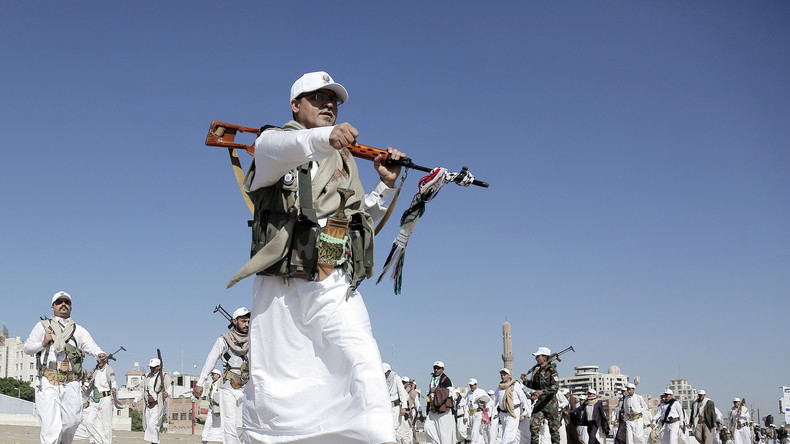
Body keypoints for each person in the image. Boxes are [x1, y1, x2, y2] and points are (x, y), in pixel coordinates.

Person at [229, 70, 404, 444]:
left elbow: (358, 221)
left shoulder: (344, 160)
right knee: (277, 392)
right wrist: (325, 138)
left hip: (332, 280)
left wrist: (386, 184)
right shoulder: (275, 144)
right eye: (319, 97)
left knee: (363, 367)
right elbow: (274, 146)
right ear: (295, 105)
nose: (329, 104)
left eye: (334, 100)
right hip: (281, 288)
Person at [23, 291, 106, 444]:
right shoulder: (42, 326)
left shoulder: (78, 330)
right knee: (51, 426)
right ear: (52, 307)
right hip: (48, 380)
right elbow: (27, 348)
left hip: (71, 381)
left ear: (71, 307)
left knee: (72, 422)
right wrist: (43, 343)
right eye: (59, 302)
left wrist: (99, 354)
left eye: (66, 302)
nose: (63, 305)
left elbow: (91, 346)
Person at [194, 307, 250, 444]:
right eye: (243, 321)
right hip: (228, 389)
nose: (247, 324)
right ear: (234, 321)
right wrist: (200, 382)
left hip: (246, 389)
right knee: (229, 426)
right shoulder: (224, 340)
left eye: (249, 321)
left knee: (242, 427)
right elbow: (210, 361)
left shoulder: (252, 341)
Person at [133, 358, 173, 444]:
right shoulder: (147, 377)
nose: (152, 369)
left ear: (159, 367)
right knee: (149, 425)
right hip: (149, 405)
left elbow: (169, 388)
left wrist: (167, 393)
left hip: (158, 405)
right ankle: (155, 442)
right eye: (151, 367)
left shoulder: (164, 376)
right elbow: (142, 390)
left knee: (153, 424)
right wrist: (136, 400)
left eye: (154, 367)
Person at [527, 347, 561, 444]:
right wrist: (525, 381)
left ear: (545, 358)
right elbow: (534, 385)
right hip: (540, 404)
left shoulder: (552, 370)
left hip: (551, 405)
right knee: (533, 426)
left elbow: (555, 387)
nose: (536, 358)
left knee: (554, 431)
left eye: (538, 356)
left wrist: (543, 392)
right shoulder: (537, 371)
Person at [86, 354, 118, 444]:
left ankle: (106, 442)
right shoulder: (95, 371)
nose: (99, 362)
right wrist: (88, 378)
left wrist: (114, 388)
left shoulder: (109, 369)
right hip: (95, 399)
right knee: (89, 422)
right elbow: (90, 383)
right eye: (97, 361)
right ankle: (95, 440)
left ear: (105, 361)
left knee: (106, 424)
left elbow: (113, 381)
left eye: (100, 361)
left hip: (105, 398)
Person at [495, 368, 529, 444]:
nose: (502, 376)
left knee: (508, 434)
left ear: (509, 375)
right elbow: (494, 399)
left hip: (513, 413)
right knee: (508, 434)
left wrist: (524, 414)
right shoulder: (500, 387)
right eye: (501, 375)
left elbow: (523, 399)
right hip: (503, 414)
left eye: (504, 375)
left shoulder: (516, 385)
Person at [426, 361, 455, 444]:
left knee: (444, 435)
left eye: (438, 368)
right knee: (427, 428)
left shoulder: (445, 379)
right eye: (435, 368)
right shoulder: (433, 379)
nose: (436, 370)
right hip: (433, 409)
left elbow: (450, 392)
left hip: (443, 410)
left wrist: (436, 390)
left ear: (442, 369)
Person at [383, 363, 411, 444]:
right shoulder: (383, 379)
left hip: (395, 407)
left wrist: (404, 408)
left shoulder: (396, 378)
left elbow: (402, 393)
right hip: (386, 408)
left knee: (395, 428)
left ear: (389, 371)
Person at [464, 379, 491, 444]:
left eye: (472, 385)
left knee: (475, 429)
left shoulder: (481, 391)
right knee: (477, 430)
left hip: (479, 413)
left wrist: (487, 406)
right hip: (471, 414)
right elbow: (464, 401)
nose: (471, 386)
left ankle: (473, 442)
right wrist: (460, 404)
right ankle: (481, 442)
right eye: (470, 385)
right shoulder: (469, 393)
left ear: (476, 384)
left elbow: (488, 400)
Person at [201, 369, 224, 444]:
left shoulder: (221, 383)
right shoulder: (212, 384)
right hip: (212, 407)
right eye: (212, 375)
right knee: (208, 422)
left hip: (219, 407)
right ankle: (204, 438)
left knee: (221, 423)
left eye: (213, 375)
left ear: (218, 375)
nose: (212, 376)